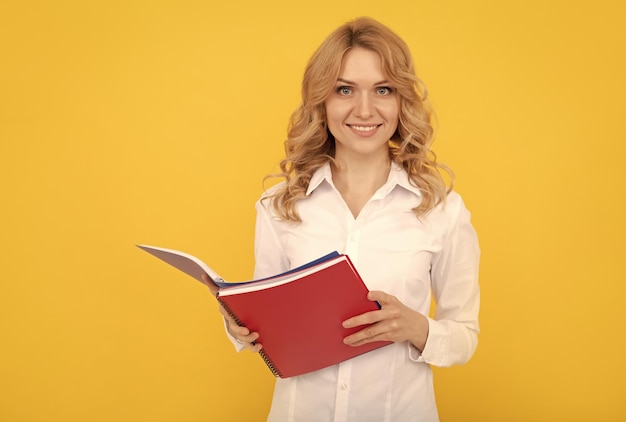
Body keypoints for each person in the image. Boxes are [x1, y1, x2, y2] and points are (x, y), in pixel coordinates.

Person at [205, 16, 480, 422]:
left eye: (382, 90)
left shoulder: (443, 210)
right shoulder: (280, 205)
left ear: (402, 100)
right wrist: (239, 325)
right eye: (344, 90)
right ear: (322, 101)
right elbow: (265, 325)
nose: (364, 109)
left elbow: (464, 336)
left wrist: (416, 327)